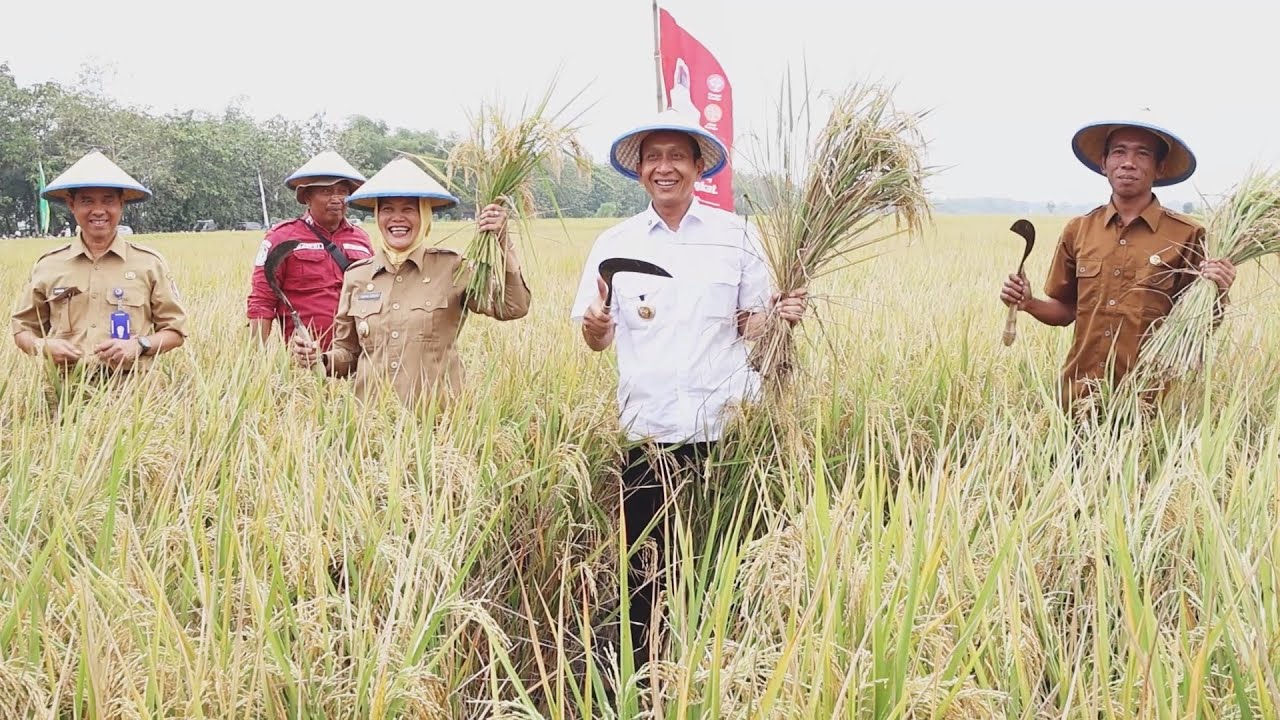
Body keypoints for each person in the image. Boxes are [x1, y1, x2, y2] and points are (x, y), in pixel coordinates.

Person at [570, 109, 807, 667]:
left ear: (699, 166)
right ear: (641, 171)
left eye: (677, 155)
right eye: (654, 157)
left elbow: (751, 323)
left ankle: (727, 668)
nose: (665, 167)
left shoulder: (737, 237)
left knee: (724, 562)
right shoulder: (614, 243)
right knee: (646, 570)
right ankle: (645, 677)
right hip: (648, 435)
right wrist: (597, 326)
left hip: (727, 434)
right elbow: (596, 335)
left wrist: (781, 316)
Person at [1000, 113, 1236, 410]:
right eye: (1119, 151)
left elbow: (1199, 323)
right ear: (1104, 163)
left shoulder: (1187, 235)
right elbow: (1066, 310)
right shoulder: (1079, 230)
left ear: (1159, 168)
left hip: (1148, 403)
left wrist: (1220, 289)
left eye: (1143, 153)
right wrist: (1028, 302)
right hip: (1078, 397)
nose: (1128, 162)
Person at [290, 156, 530, 407]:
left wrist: (504, 243)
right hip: (371, 423)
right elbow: (350, 354)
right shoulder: (358, 275)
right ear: (377, 215)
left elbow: (512, 307)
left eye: (408, 209)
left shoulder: (452, 267)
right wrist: (320, 358)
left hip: (439, 422)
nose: (397, 218)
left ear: (424, 215)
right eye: (387, 209)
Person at [11, 150, 187, 376]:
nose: (98, 210)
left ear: (121, 204)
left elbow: (175, 331)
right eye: (87, 201)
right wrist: (43, 347)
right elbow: (23, 329)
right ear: (71, 204)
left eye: (108, 201)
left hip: (133, 394)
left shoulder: (150, 264)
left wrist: (139, 345)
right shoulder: (48, 265)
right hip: (64, 390)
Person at [246, 151, 373, 349]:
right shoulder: (282, 237)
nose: (336, 199)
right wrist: (253, 360)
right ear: (307, 197)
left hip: (357, 357)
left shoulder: (361, 238)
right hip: (306, 359)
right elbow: (262, 300)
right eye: (326, 192)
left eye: (342, 191)